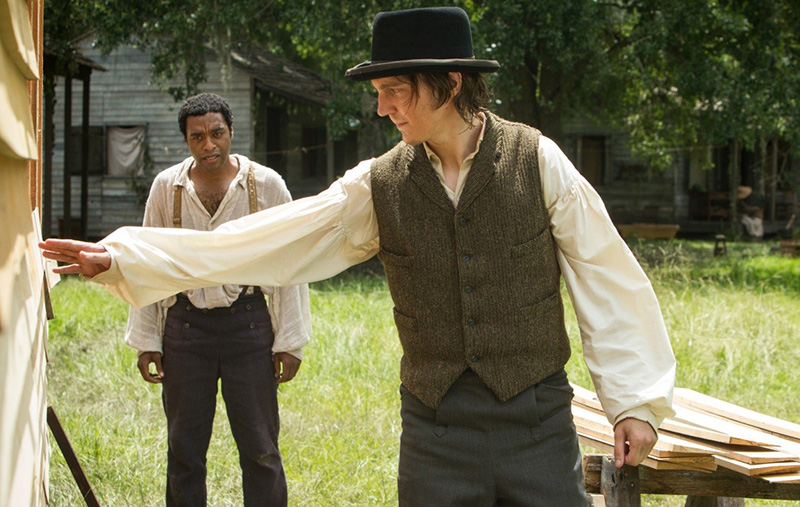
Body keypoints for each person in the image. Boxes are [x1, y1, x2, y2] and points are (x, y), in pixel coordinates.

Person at [41, 7, 675, 506]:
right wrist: (124, 257)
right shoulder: (381, 183)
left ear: (450, 83)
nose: (381, 106)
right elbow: (262, 243)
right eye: (379, 91)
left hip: (537, 425)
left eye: (395, 90)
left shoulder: (537, 161)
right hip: (436, 431)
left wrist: (634, 403)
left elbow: (606, 276)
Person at [127, 93, 310, 507]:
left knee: (261, 449)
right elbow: (146, 263)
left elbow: (291, 263)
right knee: (184, 451)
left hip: (249, 325)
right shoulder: (167, 188)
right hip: (185, 328)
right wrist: (147, 340)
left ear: (231, 131)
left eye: (217, 133)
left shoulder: (266, 185)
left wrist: (290, 342)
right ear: (186, 141)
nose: (209, 145)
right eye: (197, 137)